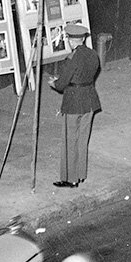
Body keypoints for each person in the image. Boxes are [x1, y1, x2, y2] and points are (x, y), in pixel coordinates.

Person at [51, 22, 102, 188]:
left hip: (74, 101)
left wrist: (54, 83)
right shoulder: (93, 54)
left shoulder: (72, 58)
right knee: (82, 140)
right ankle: (81, 175)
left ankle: (70, 179)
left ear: (71, 41)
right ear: (82, 39)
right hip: (90, 100)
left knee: (70, 139)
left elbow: (61, 84)